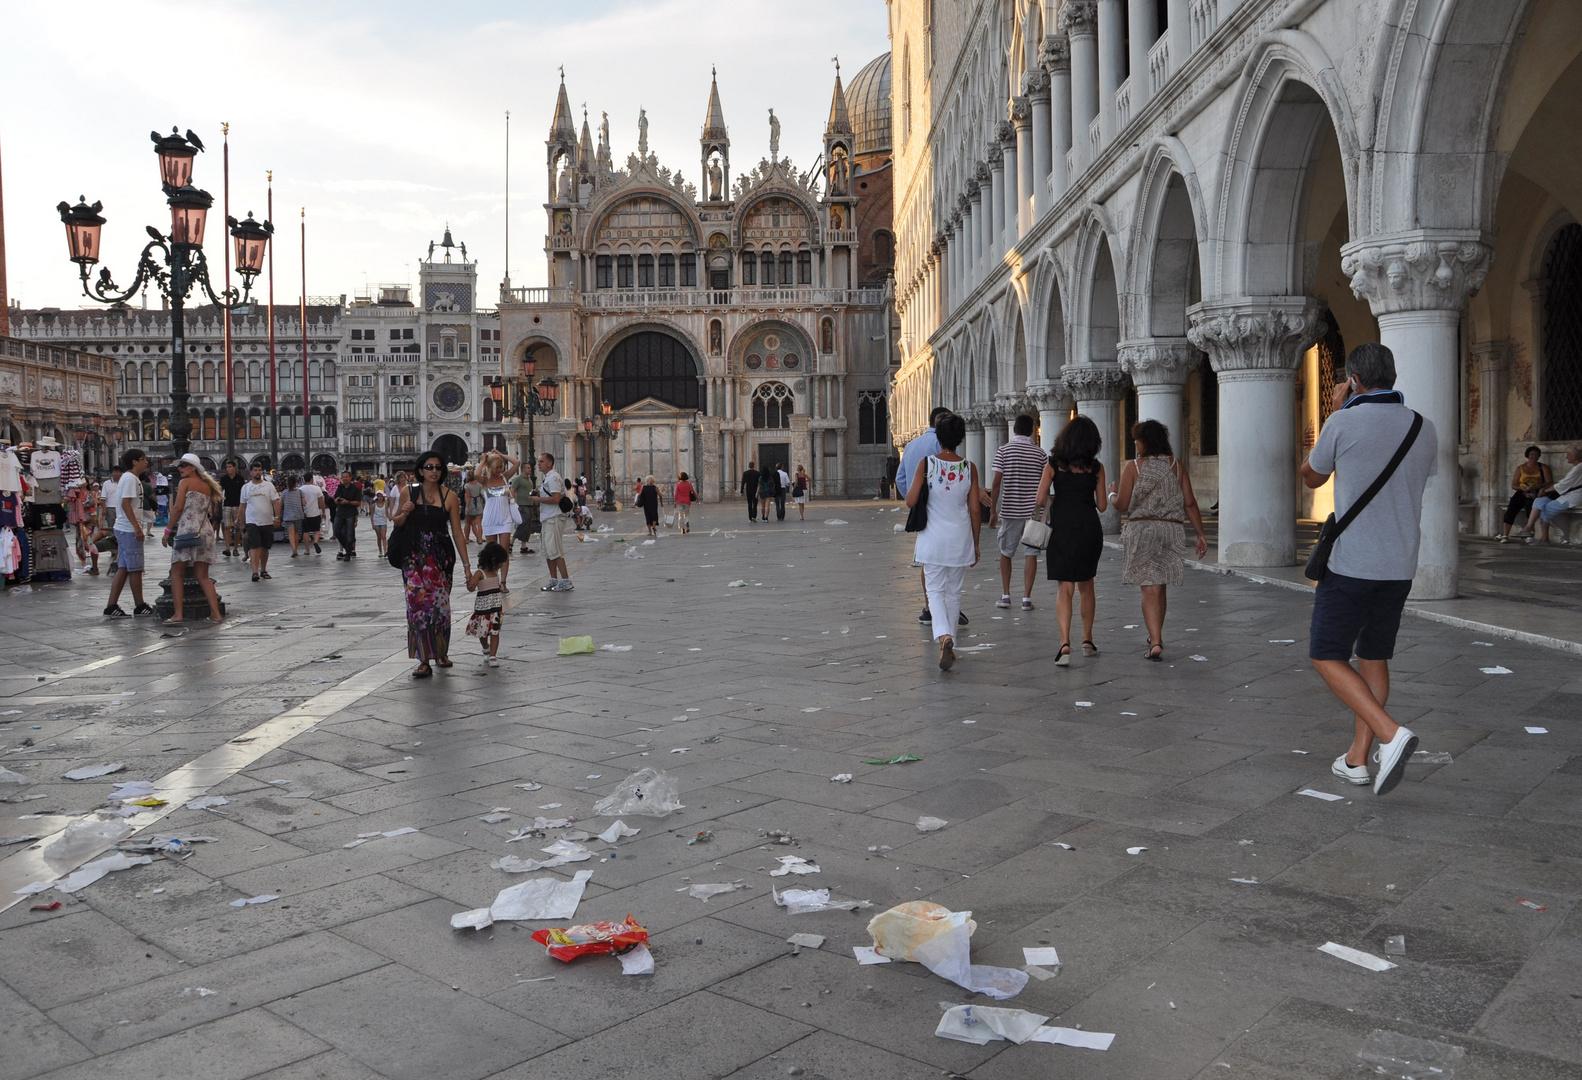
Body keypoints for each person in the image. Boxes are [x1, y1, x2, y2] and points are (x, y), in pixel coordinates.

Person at [1300, 342, 1436, 796]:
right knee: (1373, 654)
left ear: (1353, 381)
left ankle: (1389, 733)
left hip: (1352, 562)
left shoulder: (1343, 421)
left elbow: (1311, 475)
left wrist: (1338, 409)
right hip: (1399, 563)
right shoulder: (1423, 426)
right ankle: (1357, 760)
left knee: (1326, 653)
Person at [1112, 419, 1208, 661]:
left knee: (1149, 588)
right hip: (1170, 531)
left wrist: (1112, 494)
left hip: (1143, 530)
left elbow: (1122, 505)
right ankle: (1157, 635)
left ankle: (1155, 641)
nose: (1135, 443)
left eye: (1136, 439)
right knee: (1160, 585)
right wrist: (1200, 533)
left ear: (1143, 442)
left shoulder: (1133, 467)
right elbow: (1190, 503)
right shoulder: (1177, 466)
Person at [905, 413, 981, 670]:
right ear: (961, 438)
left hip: (932, 539)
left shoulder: (927, 464)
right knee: (954, 592)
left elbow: (911, 500)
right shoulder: (968, 467)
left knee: (935, 591)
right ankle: (950, 643)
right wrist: (976, 543)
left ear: (938, 437)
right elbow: (974, 510)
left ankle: (944, 636)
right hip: (959, 538)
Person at [1036, 416, 1109, 665]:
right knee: (1087, 585)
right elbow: (1102, 506)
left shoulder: (1053, 464)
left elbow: (1039, 499)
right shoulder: (1097, 468)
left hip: (1062, 529)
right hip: (1089, 529)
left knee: (1064, 588)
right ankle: (1087, 639)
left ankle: (1065, 643)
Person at [391, 451, 471, 678]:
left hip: (440, 559)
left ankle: (442, 652)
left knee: (440, 608)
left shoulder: (450, 497)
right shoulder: (409, 491)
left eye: (437, 467)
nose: (434, 471)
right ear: (420, 470)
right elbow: (396, 521)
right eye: (429, 467)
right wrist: (404, 513)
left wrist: (467, 566)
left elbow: (457, 532)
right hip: (414, 559)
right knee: (417, 609)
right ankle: (424, 659)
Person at [898, 407, 968, 628]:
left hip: (928, 521)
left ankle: (933, 613)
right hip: (957, 527)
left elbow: (902, 481)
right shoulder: (965, 464)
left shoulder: (912, 447)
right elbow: (971, 503)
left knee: (931, 569)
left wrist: (917, 502)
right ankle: (948, 625)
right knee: (952, 585)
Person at [989, 414, 1050, 611]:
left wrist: (992, 509)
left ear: (1014, 429)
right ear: (1032, 430)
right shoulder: (1040, 454)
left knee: (1006, 551)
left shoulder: (1003, 451)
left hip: (1010, 509)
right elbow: (1045, 485)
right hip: (1033, 511)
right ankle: (1026, 598)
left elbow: (997, 482)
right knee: (1031, 552)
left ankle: (1006, 595)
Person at [161, 453, 224, 624]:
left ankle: (178, 614)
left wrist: (167, 531)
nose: (180, 469)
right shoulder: (206, 485)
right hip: (205, 531)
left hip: (188, 529)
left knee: (176, 573)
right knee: (203, 575)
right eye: (179, 466)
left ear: (193, 468)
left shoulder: (185, 482)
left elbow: (177, 508)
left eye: (183, 466)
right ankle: (216, 614)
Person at [105, 448, 154, 617]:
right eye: (143, 459)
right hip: (128, 528)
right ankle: (139, 605)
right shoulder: (130, 479)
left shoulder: (130, 479)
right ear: (134, 462)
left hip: (125, 527)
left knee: (124, 568)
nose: (146, 462)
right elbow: (126, 503)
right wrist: (137, 527)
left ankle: (111, 606)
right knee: (135, 568)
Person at [1522, 445, 1582, 546]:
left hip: (1573, 497)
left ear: (1574, 456)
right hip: (1566, 495)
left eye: (1568, 455)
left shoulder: (1579, 468)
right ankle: (1528, 527)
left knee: (1546, 509)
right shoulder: (1576, 468)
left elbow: (1563, 484)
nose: (1566, 457)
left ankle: (1544, 539)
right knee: (1539, 501)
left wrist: (1545, 490)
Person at [478, 451, 522, 589]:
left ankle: (503, 582)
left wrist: (501, 455)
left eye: (501, 466)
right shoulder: (485, 480)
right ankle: (493, 580)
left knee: (503, 552)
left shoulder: (504, 477)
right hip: (490, 518)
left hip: (505, 519)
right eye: (497, 467)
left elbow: (517, 463)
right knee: (491, 552)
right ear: (490, 467)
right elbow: (476, 475)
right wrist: (483, 460)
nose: (499, 469)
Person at [533, 452, 573, 590]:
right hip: (547, 517)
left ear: (549, 463)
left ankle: (566, 580)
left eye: (541, 461)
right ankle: (553, 579)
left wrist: (539, 500)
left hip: (554, 517)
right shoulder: (546, 478)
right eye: (538, 461)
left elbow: (556, 499)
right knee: (548, 551)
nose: (538, 464)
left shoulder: (553, 477)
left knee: (555, 550)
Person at [466, 541, 509, 668]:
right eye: (500, 563)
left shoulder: (496, 573)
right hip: (483, 609)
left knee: (495, 632)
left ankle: (493, 655)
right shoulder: (480, 573)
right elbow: (472, 588)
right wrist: (470, 582)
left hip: (495, 608)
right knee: (482, 632)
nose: (501, 566)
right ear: (494, 560)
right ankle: (486, 648)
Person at [1498, 446, 1550, 542]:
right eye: (1531, 454)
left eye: (1536, 454)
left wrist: (1537, 486)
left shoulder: (1543, 467)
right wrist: (1521, 488)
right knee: (1512, 507)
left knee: (1530, 506)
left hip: (1536, 492)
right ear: (1527, 456)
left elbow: (1549, 482)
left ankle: (1530, 532)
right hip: (1522, 491)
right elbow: (1514, 484)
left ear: (1539, 456)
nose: (1533, 456)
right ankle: (1505, 534)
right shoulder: (1521, 468)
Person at [240, 463, 282, 582]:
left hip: (267, 521)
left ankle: (263, 569)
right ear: (251, 472)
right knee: (255, 546)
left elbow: (276, 502)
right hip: (252, 521)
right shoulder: (246, 488)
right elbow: (242, 506)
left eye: (259, 470)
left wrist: (277, 517)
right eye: (255, 470)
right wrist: (242, 522)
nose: (257, 472)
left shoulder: (269, 486)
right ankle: (254, 572)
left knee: (265, 547)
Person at [333, 471, 363, 560]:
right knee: (337, 532)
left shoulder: (355, 488)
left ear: (350, 478)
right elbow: (335, 498)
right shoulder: (340, 487)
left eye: (346, 477)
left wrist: (348, 502)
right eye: (343, 477)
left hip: (350, 513)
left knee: (350, 534)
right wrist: (337, 500)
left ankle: (348, 554)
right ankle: (348, 549)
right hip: (340, 512)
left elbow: (358, 503)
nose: (345, 478)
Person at [509, 464, 538, 554]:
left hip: (529, 504)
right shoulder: (518, 479)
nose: (530, 469)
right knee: (523, 523)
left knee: (528, 525)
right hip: (522, 505)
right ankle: (511, 542)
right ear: (523, 469)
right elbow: (512, 490)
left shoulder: (529, 480)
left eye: (530, 467)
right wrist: (513, 502)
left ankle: (523, 546)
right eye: (528, 468)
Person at [219, 459, 245, 557]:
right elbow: (221, 491)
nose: (229, 469)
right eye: (227, 467)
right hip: (227, 504)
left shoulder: (240, 479)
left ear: (234, 468)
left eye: (230, 467)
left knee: (237, 527)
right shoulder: (224, 479)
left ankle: (235, 548)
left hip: (237, 504)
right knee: (227, 526)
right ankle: (227, 548)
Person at [298, 473, 325, 555]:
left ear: (303, 479)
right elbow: (321, 501)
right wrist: (323, 511)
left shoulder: (300, 489)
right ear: (311, 479)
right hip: (315, 512)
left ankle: (307, 550)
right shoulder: (317, 489)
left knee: (306, 532)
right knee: (317, 530)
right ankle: (316, 542)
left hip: (305, 513)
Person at [280, 475, 305, 556]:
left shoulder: (284, 493)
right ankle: (296, 549)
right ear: (296, 483)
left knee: (291, 533)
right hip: (298, 515)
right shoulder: (300, 492)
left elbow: (280, 504)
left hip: (288, 516)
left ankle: (293, 549)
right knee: (296, 532)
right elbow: (304, 503)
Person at [463, 470, 486, 544]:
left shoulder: (467, 485)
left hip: (471, 504)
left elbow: (468, 496)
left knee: (468, 523)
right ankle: (479, 539)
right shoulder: (479, 484)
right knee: (479, 523)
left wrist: (467, 506)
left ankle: (466, 539)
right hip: (478, 503)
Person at [370, 485, 390, 558]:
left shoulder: (385, 505)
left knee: (384, 536)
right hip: (376, 522)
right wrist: (372, 524)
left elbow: (387, 513)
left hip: (383, 522)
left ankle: (385, 550)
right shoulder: (373, 505)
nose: (380, 498)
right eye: (379, 496)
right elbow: (371, 515)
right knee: (379, 537)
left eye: (381, 496)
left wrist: (390, 517)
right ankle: (380, 551)